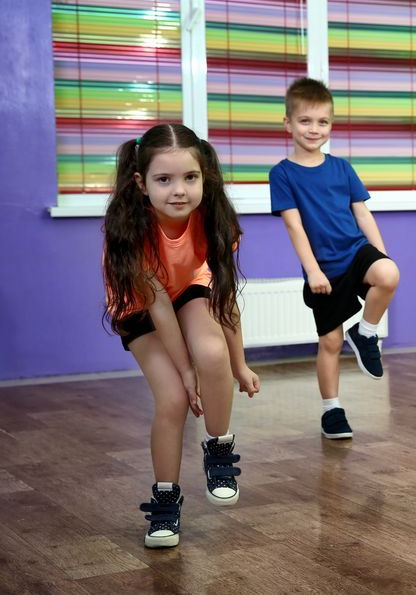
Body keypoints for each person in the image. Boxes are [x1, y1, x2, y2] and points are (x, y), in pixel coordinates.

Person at [103, 123, 261, 549]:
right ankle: (165, 501)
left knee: (214, 356)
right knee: (173, 397)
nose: (179, 190)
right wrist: (185, 373)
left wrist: (239, 362)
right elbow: (157, 308)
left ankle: (219, 446)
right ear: (141, 183)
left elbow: (224, 294)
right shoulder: (132, 232)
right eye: (164, 179)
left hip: (188, 288)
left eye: (190, 178)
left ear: (203, 178)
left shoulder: (213, 221)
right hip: (140, 307)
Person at [269, 77, 400, 440]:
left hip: (356, 251)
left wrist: (380, 255)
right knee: (329, 341)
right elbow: (295, 227)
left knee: (388, 273)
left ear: (331, 125)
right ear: (288, 124)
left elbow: (363, 215)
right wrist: (312, 271)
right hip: (324, 268)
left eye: (322, 122)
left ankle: (366, 332)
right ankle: (332, 411)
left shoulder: (342, 168)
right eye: (305, 121)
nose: (314, 129)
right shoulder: (282, 174)